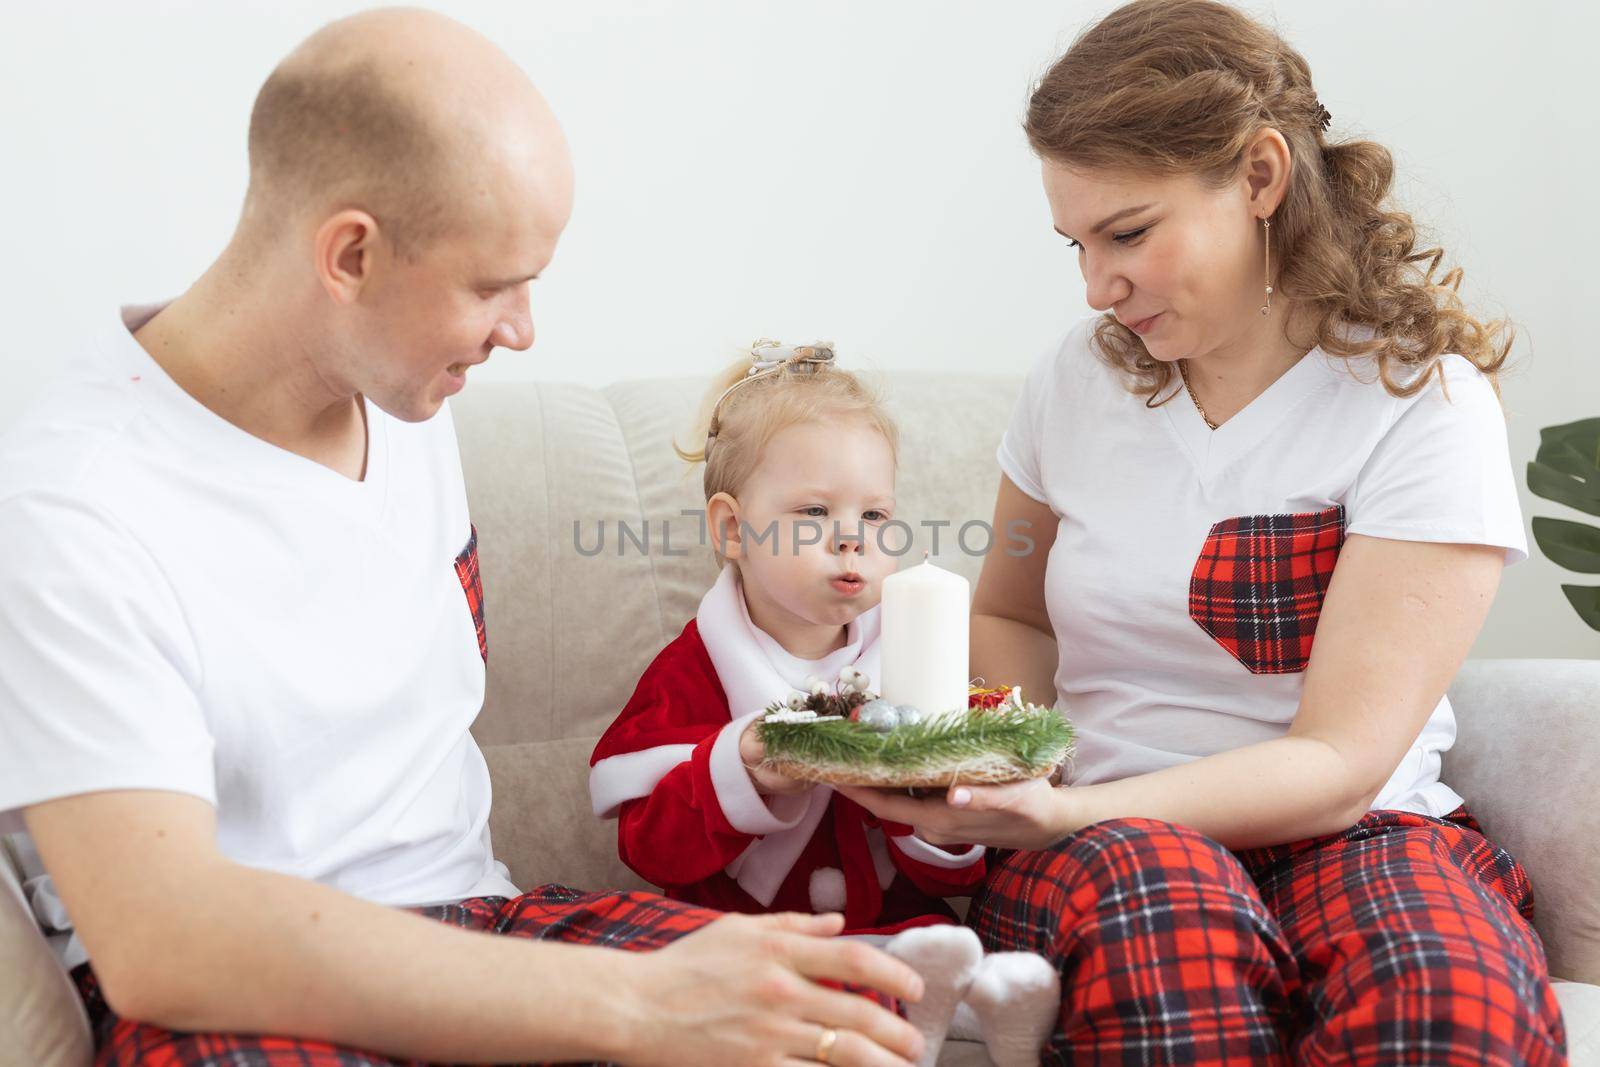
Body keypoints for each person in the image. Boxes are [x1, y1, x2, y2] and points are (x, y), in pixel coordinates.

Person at [0, 10, 926, 1066]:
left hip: (483, 923)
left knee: (835, 1024)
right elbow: (164, 940)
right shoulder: (73, 506)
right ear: (350, 253)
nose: (522, 327)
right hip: (245, 993)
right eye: (494, 284)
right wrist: (633, 1008)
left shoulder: (405, 404)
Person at [840, 1, 1570, 1064]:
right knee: (1171, 945)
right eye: (1077, 244)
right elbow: (1008, 612)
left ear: (1261, 177)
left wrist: (1056, 812)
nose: (1097, 284)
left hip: (1354, 830)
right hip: (1112, 838)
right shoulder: (1074, 381)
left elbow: (1338, 762)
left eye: (1128, 232)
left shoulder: (1420, 403)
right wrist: (1004, 769)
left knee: (1446, 1003)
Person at [588, 341, 1058, 1066]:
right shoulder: (695, 668)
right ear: (732, 527)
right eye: (814, 511)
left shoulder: (911, 655)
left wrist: (938, 800)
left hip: (895, 921)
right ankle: (920, 1010)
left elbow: (955, 865)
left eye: (875, 515)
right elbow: (645, 839)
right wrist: (740, 767)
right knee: (747, 978)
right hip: (749, 929)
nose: (851, 538)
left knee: (925, 944)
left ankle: (979, 1006)